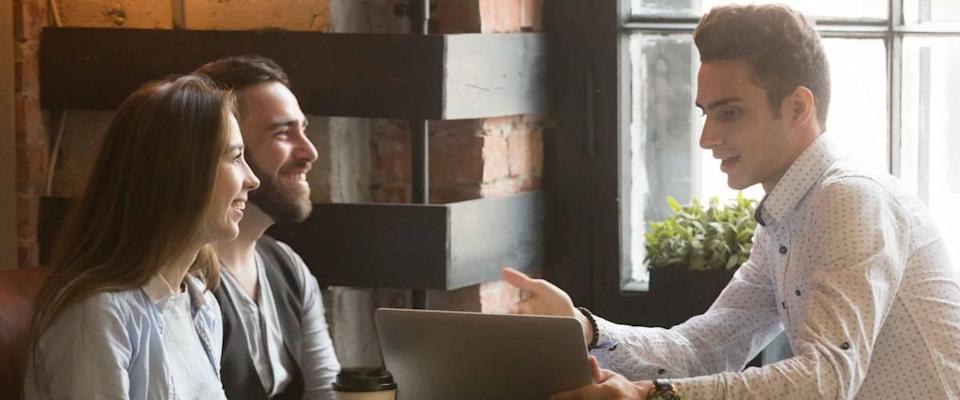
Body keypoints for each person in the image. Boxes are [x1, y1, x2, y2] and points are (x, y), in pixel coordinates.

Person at [503, 4, 960, 399]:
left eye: (731, 113)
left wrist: (651, 395)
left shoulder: (849, 198)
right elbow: (706, 347)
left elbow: (826, 380)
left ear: (799, 107)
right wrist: (586, 329)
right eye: (706, 114)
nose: (706, 138)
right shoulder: (783, 217)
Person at [24, 74, 260, 399]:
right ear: (179, 172)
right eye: (235, 157)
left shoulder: (200, 304)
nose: (252, 179)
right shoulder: (96, 316)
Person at [194, 55, 340, 400]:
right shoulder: (181, 278)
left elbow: (327, 392)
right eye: (282, 133)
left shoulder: (288, 267)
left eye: (302, 129)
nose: (310, 152)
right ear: (227, 150)